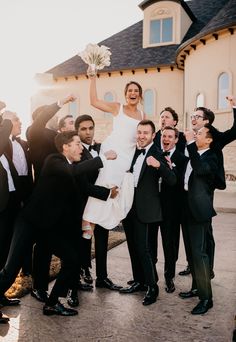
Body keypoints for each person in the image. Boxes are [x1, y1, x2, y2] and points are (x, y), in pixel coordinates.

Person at [0, 131, 116, 316]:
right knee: (11, 269)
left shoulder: (74, 167)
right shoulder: (54, 160)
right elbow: (71, 171)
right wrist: (102, 158)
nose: (80, 148)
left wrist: (108, 193)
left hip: (48, 227)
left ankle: (52, 303)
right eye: (77, 144)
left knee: (72, 259)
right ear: (65, 147)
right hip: (29, 222)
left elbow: (84, 187)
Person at [120, 120, 176, 306]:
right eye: (139, 132)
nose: (142, 136)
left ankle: (153, 286)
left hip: (146, 208)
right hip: (129, 207)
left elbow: (172, 180)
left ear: (153, 135)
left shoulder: (157, 154)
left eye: (146, 133)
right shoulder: (133, 151)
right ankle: (139, 281)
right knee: (133, 247)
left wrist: (159, 166)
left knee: (144, 249)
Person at [26, 95, 76, 303]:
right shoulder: (35, 132)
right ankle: (39, 287)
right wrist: (59, 102)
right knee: (44, 246)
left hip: (61, 197)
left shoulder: (54, 134)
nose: (54, 116)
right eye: (49, 113)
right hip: (45, 198)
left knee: (57, 242)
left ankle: (69, 285)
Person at [179, 97, 236, 277]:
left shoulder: (214, 137)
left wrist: (234, 106)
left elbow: (235, 131)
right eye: (192, 116)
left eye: (197, 116)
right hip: (187, 193)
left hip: (204, 191)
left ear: (206, 121)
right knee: (190, 234)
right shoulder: (186, 137)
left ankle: (207, 269)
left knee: (205, 234)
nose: (193, 118)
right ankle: (193, 265)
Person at [82, 75, 145, 234]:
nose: (133, 93)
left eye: (136, 91)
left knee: (114, 191)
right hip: (112, 152)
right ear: (126, 94)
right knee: (104, 183)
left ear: (140, 95)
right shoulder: (118, 108)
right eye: (130, 90)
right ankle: (87, 221)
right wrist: (93, 79)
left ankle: (102, 221)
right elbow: (94, 101)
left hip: (127, 157)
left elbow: (143, 135)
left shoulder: (143, 115)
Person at [74, 115, 122, 296]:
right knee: (84, 240)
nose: (88, 132)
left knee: (102, 240)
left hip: (102, 205)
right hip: (85, 205)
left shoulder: (101, 148)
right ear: (78, 131)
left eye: (90, 128)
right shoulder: (77, 152)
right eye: (84, 129)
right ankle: (83, 271)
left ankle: (102, 277)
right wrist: (107, 193)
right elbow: (83, 185)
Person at [179, 124, 220, 315]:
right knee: (190, 253)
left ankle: (206, 298)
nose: (196, 135)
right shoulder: (193, 154)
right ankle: (196, 287)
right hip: (186, 209)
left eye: (200, 133)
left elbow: (201, 170)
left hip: (199, 212)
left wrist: (190, 143)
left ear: (209, 140)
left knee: (199, 253)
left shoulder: (211, 157)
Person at [158, 126, 188, 293]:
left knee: (170, 244)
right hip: (154, 206)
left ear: (176, 139)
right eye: (164, 136)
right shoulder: (155, 154)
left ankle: (169, 277)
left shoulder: (182, 159)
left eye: (170, 136)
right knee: (150, 242)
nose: (166, 139)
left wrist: (171, 169)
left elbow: (179, 184)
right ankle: (147, 276)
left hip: (172, 210)